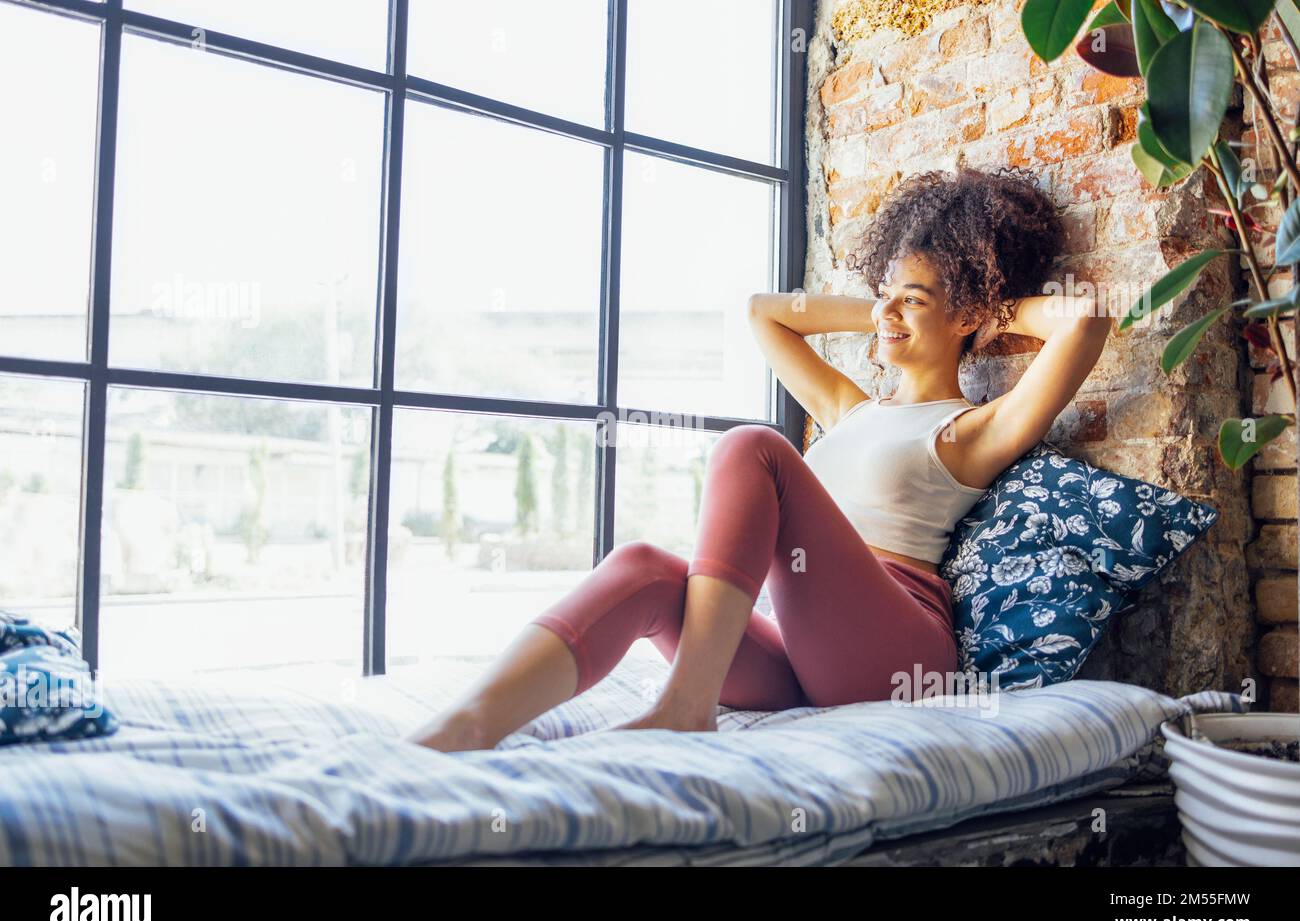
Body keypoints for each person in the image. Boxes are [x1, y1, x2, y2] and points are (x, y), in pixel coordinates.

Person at [407, 166, 1112, 752]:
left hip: (897, 649)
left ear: (964, 317)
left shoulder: (970, 430)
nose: (888, 313)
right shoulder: (853, 409)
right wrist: (890, 303)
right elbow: (762, 313)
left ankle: (687, 703)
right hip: (810, 648)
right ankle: (467, 725)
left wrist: (985, 305)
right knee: (645, 567)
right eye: (884, 295)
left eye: (915, 301)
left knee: (753, 447)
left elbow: (1087, 318)